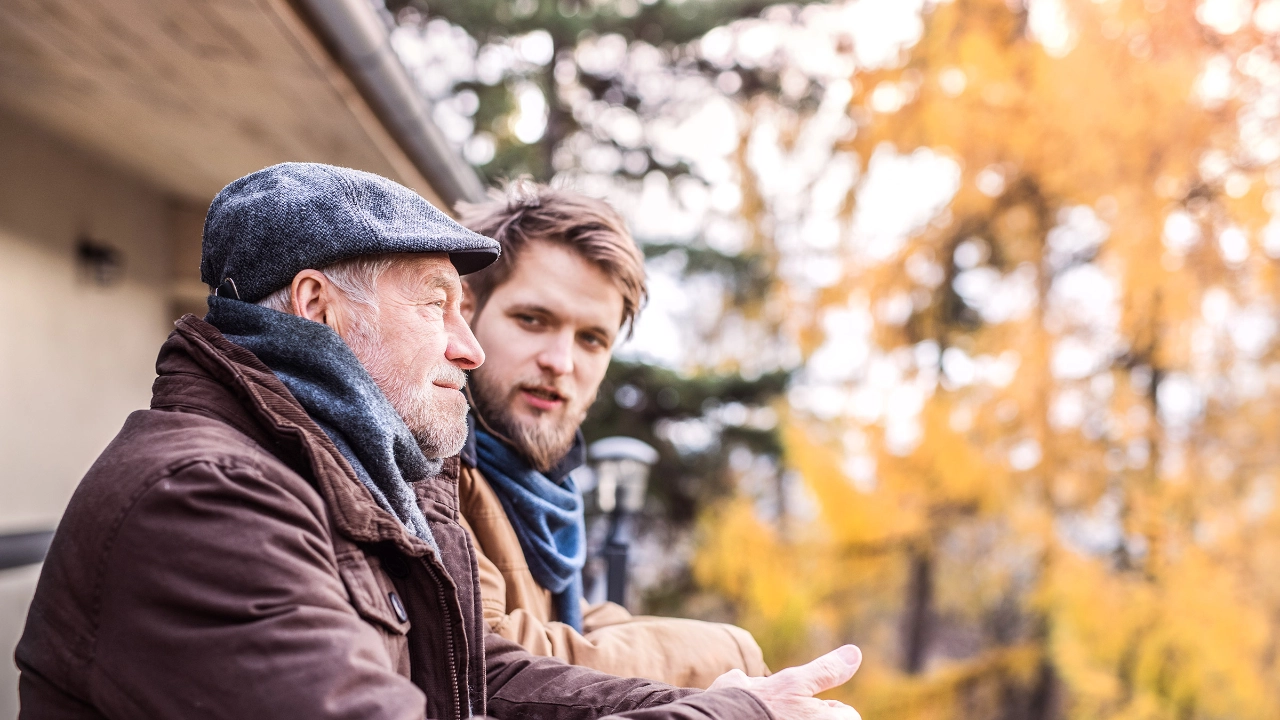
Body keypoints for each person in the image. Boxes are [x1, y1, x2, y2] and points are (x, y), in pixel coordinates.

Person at [15, 162, 863, 720]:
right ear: (318, 309)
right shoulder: (203, 500)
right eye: (435, 305)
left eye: (466, 308)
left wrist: (738, 699)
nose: (470, 346)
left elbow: (477, 676)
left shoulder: (365, 480)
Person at [452, 183, 768, 689]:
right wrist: (735, 654)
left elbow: (571, 624)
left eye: (592, 339)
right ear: (465, 308)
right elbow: (487, 651)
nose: (561, 362)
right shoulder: (432, 456)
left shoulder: (542, 488)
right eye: (532, 320)